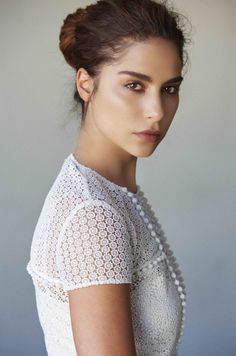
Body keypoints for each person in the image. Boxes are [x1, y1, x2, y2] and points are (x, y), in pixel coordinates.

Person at [26, 0, 191, 355]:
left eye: (170, 88)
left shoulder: (110, 195)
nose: (156, 111)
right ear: (86, 84)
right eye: (135, 85)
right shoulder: (93, 215)